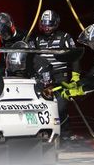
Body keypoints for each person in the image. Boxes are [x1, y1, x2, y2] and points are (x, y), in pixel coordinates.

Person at [30, 9, 78, 138]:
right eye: (44, 24)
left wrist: (75, 78)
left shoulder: (65, 37)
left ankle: (66, 135)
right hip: (42, 79)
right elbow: (31, 58)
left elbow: (75, 57)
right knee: (43, 107)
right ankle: (46, 134)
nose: (46, 27)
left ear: (56, 23)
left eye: (49, 24)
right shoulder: (37, 39)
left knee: (60, 108)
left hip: (60, 77)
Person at [0, 12, 26, 78]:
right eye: (0, 35)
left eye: (3, 35)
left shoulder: (24, 36)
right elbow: (2, 59)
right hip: (9, 73)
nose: (1, 37)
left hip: (24, 74)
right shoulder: (3, 39)